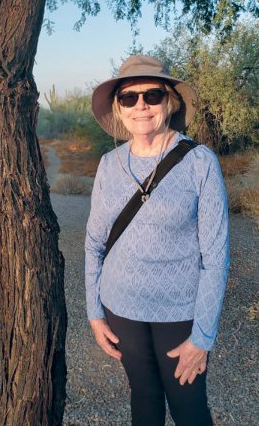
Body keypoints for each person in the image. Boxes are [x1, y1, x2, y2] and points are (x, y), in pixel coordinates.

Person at [84, 55, 230, 426]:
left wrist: (203, 337)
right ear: (118, 107)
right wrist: (95, 311)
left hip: (179, 313)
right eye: (129, 98)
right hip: (121, 307)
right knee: (144, 402)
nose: (141, 106)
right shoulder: (108, 164)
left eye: (152, 94)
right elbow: (94, 243)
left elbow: (216, 258)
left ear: (170, 101)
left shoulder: (200, 162)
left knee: (190, 409)